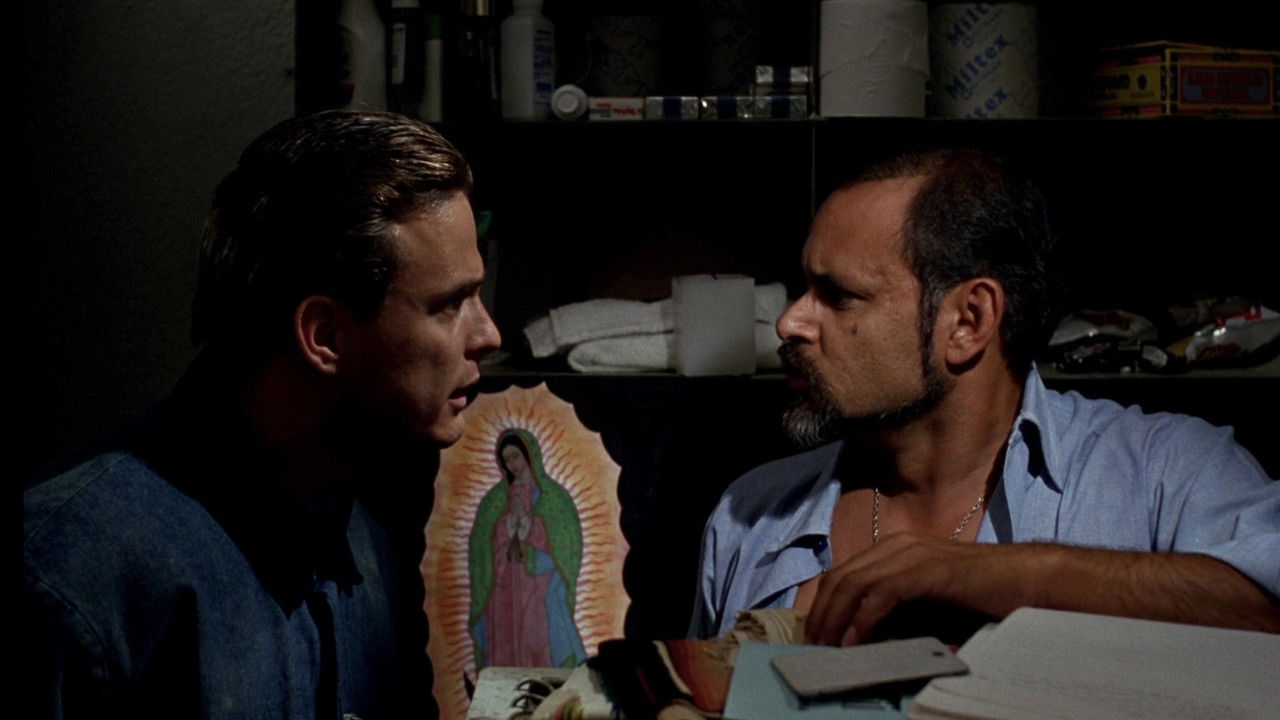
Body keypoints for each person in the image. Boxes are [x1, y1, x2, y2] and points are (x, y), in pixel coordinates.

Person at [690, 146, 1280, 644]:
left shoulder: (1163, 472)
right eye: (804, 288)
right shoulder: (752, 515)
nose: (790, 322)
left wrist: (989, 575)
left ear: (968, 321)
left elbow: (1265, 603)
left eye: (838, 295)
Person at [23, 110, 502, 719]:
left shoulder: (366, 520)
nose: (488, 334)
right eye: (451, 304)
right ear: (325, 335)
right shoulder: (68, 576)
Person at [468, 429, 586, 670]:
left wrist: (529, 526)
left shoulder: (553, 497)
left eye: (516, 456)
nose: (512, 464)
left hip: (538, 582)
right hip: (503, 585)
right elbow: (481, 544)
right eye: (506, 460)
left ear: (529, 454)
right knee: (505, 640)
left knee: (536, 638)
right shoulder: (495, 499)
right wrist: (506, 531)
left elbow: (565, 545)